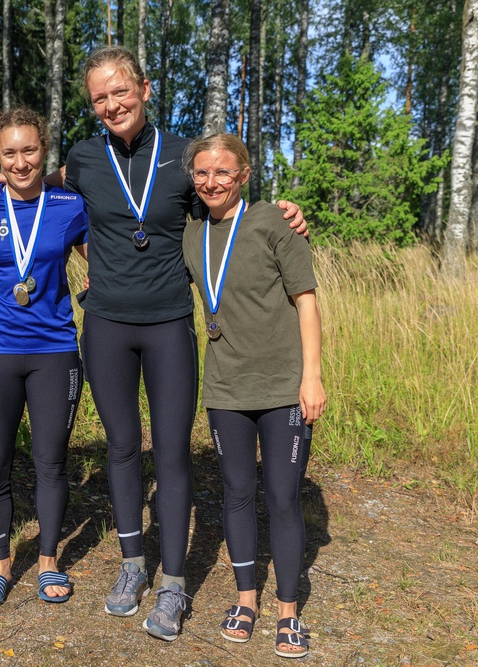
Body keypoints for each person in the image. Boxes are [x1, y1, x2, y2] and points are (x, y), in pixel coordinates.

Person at [63, 46, 306, 639]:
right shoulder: (82, 158)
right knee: (122, 446)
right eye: (99, 97)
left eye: (121, 91)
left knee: (170, 453)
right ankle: (131, 565)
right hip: (107, 326)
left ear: (144, 89)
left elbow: (230, 205)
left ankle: (172, 585)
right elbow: (46, 201)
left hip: (170, 322)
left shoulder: (181, 158)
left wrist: (286, 212)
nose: (112, 103)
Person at [181, 133, 324, 658]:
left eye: (223, 172)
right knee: (237, 493)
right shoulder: (190, 231)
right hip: (225, 386)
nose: (211, 182)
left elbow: (306, 301)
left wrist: (312, 377)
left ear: (243, 174)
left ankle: (289, 612)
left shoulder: (273, 221)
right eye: (202, 173)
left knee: (283, 496)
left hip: (284, 385)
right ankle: (247, 600)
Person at [0, 108, 88, 606]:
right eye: (10, 153)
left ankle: (48, 562)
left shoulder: (68, 205)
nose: (21, 162)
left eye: (30, 150)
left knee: (51, 463)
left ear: (45, 149)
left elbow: (105, 262)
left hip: (55, 352)